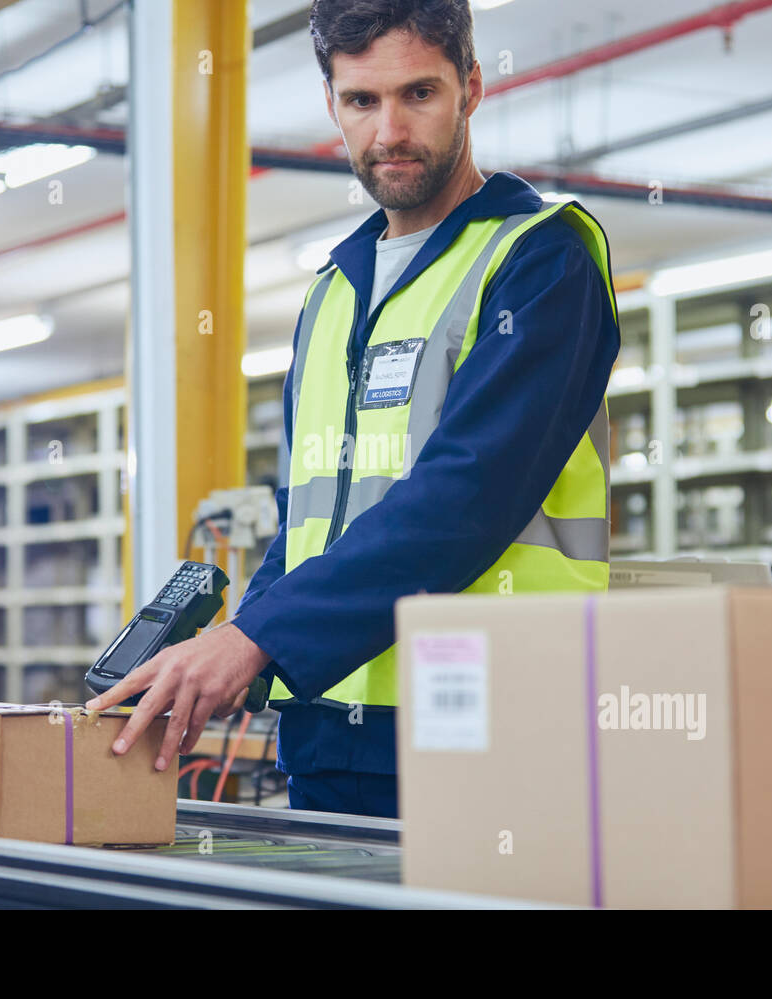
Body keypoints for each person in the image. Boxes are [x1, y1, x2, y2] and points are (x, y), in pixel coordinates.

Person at [86, 0, 620, 818]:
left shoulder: (540, 262)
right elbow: (308, 521)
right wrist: (232, 654)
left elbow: (463, 499)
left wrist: (257, 638)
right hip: (329, 737)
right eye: (362, 102)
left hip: (491, 731)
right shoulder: (333, 292)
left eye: (420, 94)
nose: (391, 132)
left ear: (471, 87)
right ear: (331, 103)